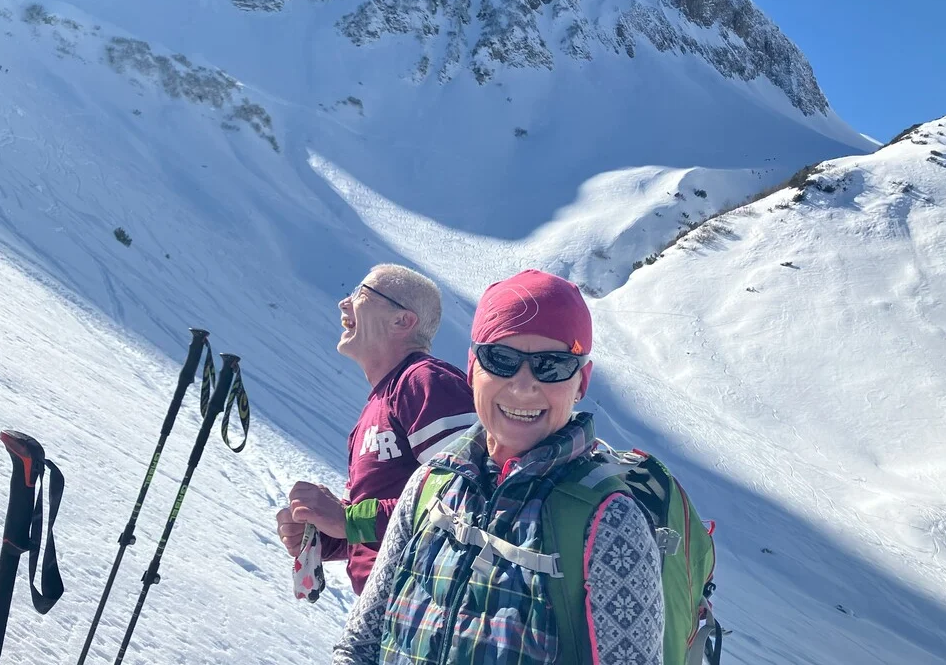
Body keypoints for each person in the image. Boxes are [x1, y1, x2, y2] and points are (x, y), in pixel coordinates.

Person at [332, 269, 665, 664]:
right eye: (502, 359)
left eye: (553, 365)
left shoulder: (608, 520)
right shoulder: (430, 484)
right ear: (473, 367)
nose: (524, 386)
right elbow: (361, 645)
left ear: (581, 381)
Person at [276, 264, 477, 595]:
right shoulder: (376, 407)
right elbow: (376, 521)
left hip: (426, 606)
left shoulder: (426, 382)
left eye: (361, 294)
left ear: (402, 321)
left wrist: (349, 521)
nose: (344, 303)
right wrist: (324, 536)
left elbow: (465, 495)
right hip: (386, 608)